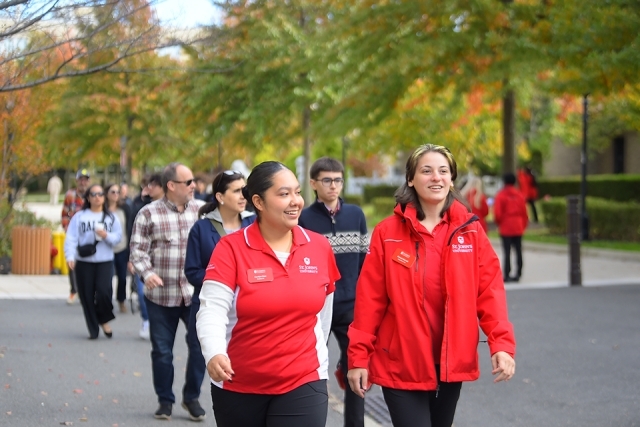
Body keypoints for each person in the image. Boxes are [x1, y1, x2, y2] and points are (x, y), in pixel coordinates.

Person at [346, 144, 516, 427]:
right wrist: (358, 356)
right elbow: (370, 301)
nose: (436, 177)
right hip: (401, 359)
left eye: (443, 171)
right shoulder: (387, 233)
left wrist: (502, 345)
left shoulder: (471, 231)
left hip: (451, 360)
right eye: (426, 171)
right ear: (411, 179)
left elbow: (490, 293)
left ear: (451, 179)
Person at [196, 161, 340, 427]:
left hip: (304, 378)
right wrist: (214, 352)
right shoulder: (231, 248)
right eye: (284, 194)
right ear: (258, 202)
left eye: (297, 192)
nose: (296, 201)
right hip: (238, 381)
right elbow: (211, 309)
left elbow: (323, 315)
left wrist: (319, 361)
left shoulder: (319, 247)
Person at [129, 163, 206, 421]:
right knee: (162, 351)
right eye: (189, 182)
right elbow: (137, 251)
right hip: (160, 297)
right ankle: (165, 400)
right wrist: (147, 273)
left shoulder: (202, 212)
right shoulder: (148, 214)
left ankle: (191, 397)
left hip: (195, 294)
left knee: (200, 347)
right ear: (171, 186)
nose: (194, 185)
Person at [298, 157, 368, 427]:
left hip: (352, 306)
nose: (333, 186)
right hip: (317, 308)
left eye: (338, 180)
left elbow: (365, 260)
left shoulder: (356, 215)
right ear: (313, 183)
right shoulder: (304, 218)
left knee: (357, 367)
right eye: (327, 180)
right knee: (314, 368)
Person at [185, 170, 255, 412]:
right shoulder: (202, 229)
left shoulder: (253, 223)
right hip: (210, 303)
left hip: (248, 305)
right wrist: (225, 280)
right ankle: (191, 397)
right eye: (236, 191)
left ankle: (241, 399)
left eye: (244, 190)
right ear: (220, 196)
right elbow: (192, 271)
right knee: (200, 352)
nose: (242, 195)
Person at [63, 184, 122, 339]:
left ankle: (103, 319)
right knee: (86, 296)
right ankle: (93, 328)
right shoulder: (80, 217)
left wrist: (106, 236)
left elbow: (118, 237)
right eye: (94, 194)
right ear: (88, 198)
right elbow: (71, 238)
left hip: (105, 261)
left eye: (100, 194)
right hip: (84, 262)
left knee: (104, 293)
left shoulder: (111, 217)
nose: (97, 197)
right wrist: (70, 256)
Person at [128, 173, 164, 339]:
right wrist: (131, 258)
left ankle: (157, 323)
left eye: (153, 185)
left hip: (164, 261)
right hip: (143, 257)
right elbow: (132, 229)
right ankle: (146, 320)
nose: (149, 187)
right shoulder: (140, 204)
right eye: (148, 184)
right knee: (143, 293)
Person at [62, 169, 91, 305]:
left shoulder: (92, 195)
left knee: (87, 263)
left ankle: (87, 292)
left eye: (85, 179)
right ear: (77, 181)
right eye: (81, 179)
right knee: (72, 261)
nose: (83, 182)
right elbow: (64, 213)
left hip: (87, 234)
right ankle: (74, 290)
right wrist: (67, 229)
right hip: (74, 233)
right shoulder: (70, 195)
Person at [494, 172, 529, 283]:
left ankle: (507, 274)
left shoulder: (501, 195)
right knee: (518, 250)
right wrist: (523, 225)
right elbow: (524, 212)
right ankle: (518, 273)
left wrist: (499, 223)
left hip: (506, 226)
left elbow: (498, 213)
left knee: (507, 252)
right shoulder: (519, 195)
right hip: (518, 225)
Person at [105, 183, 132, 313]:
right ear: (107, 194)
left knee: (122, 277)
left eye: (118, 192)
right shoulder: (102, 210)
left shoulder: (124, 209)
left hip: (122, 248)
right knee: (107, 278)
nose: (116, 194)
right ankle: (108, 303)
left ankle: (121, 300)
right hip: (106, 249)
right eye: (113, 192)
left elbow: (129, 228)